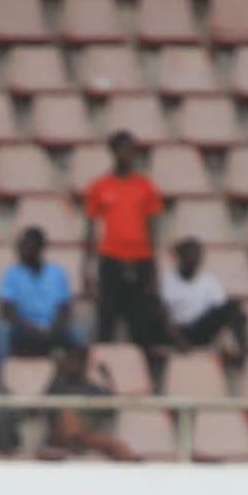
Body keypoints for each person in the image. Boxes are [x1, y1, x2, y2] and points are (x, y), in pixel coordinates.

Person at [83, 129, 163, 349]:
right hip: (111, 258)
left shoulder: (145, 186)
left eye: (132, 150)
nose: (128, 155)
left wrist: (154, 266)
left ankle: (143, 374)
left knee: (140, 322)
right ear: (114, 152)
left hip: (140, 259)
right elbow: (90, 228)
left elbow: (152, 227)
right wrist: (87, 267)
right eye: (124, 150)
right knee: (106, 319)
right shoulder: (100, 186)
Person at [0, 226, 84, 365]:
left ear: (40, 247)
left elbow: (64, 307)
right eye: (21, 245)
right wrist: (31, 330)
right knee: (3, 331)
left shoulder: (57, 273)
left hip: (53, 329)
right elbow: (8, 311)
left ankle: (80, 380)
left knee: (79, 332)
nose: (23, 249)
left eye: (27, 244)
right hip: (24, 330)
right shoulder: (12, 274)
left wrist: (53, 329)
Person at [159, 236, 248, 364]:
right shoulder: (167, 281)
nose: (195, 259)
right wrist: (178, 340)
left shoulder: (209, 281)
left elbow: (222, 309)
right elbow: (163, 314)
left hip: (200, 330)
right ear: (181, 257)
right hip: (176, 331)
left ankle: (244, 352)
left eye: (197, 255)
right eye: (190, 255)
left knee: (234, 306)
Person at [39, 345, 133, 461]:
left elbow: (111, 410)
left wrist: (108, 379)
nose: (75, 364)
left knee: (119, 446)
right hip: (59, 438)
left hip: (86, 436)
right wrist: (57, 368)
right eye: (71, 360)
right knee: (68, 415)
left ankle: (137, 472)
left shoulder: (92, 388)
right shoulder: (57, 385)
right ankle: (77, 442)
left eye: (80, 360)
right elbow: (41, 407)